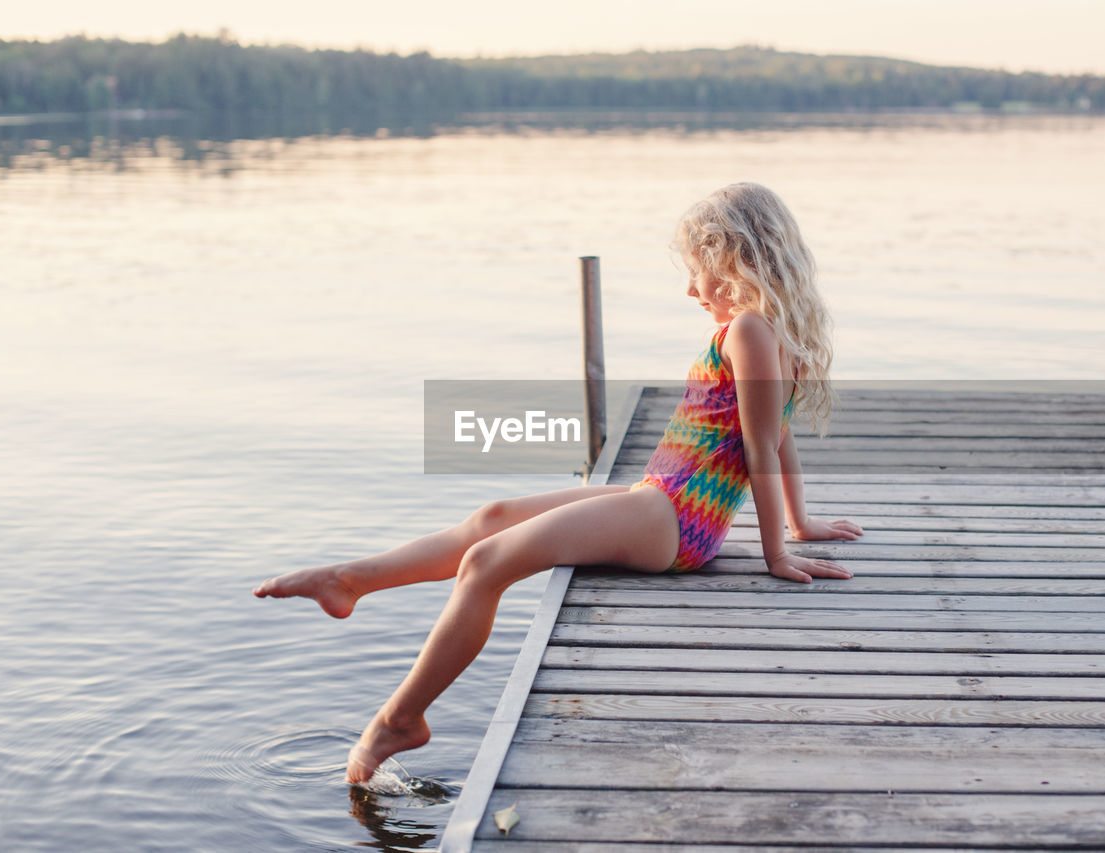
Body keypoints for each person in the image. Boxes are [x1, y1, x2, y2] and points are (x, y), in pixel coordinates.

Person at [253, 182, 864, 784]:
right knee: (492, 518)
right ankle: (350, 580)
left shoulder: (749, 331)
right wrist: (800, 520)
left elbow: (762, 442)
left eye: (699, 271)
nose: (690, 288)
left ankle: (401, 718)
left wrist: (777, 550)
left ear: (735, 264)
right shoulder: (771, 332)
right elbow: (779, 433)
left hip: (674, 521)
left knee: (489, 562)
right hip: (661, 501)